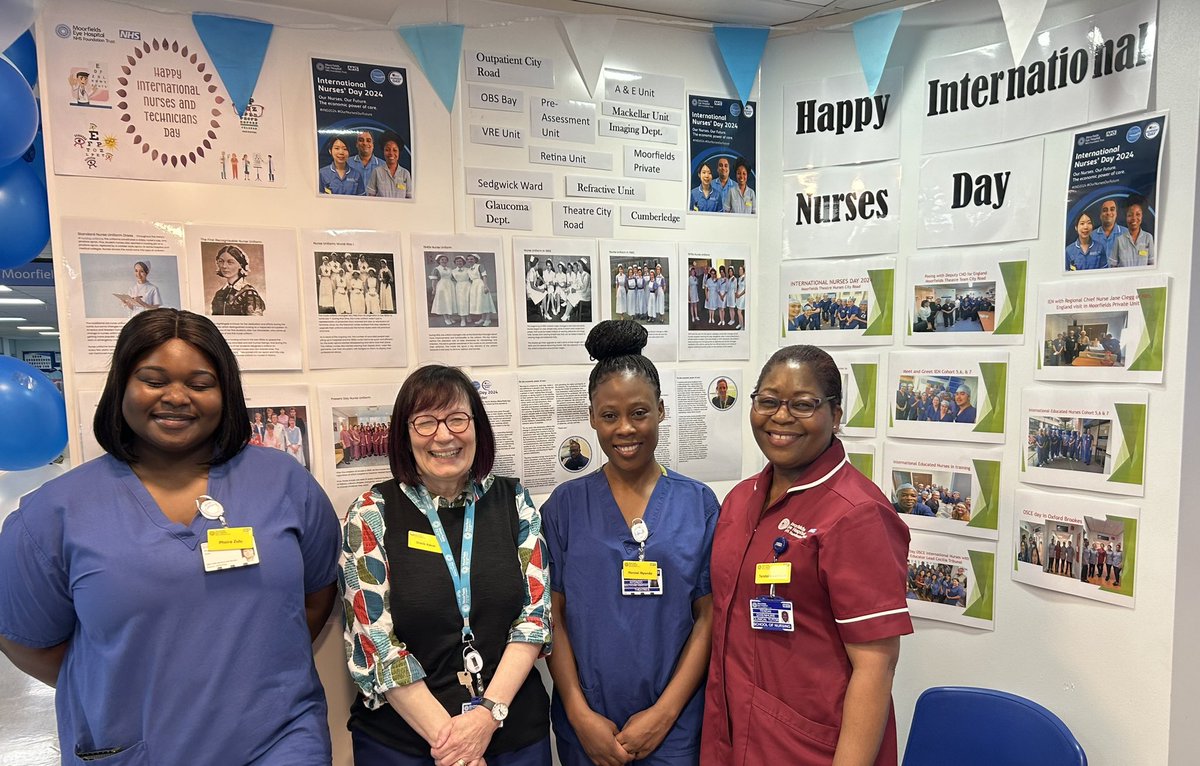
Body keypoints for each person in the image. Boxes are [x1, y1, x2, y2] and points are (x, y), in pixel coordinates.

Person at [0, 308, 339, 764]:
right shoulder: (53, 514)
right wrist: (132, 684)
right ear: (121, 386)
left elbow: (317, 595)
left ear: (226, 394)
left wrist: (253, 675)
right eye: (154, 380)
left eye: (200, 383)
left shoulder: (285, 484)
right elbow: (28, 644)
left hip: (279, 740)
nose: (177, 397)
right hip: (137, 747)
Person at [702, 345, 911, 765]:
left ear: (835, 415)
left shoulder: (857, 514)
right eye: (768, 401)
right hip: (730, 734)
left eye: (803, 405)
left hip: (810, 747)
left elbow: (876, 669)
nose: (780, 417)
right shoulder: (742, 500)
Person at [338, 365, 553, 765]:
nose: (443, 435)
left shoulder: (515, 503)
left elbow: (535, 618)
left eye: (457, 419)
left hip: (512, 737)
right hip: (404, 745)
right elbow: (375, 643)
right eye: (425, 422)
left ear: (478, 428)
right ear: (404, 434)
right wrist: (456, 747)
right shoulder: (371, 515)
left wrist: (486, 718)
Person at [543, 320, 719, 766]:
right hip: (588, 729)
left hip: (672, 728)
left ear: (660, 410)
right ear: (591, 417)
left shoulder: (698, 504)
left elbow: (709, 617)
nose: (625, 428)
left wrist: (665, 713)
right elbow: (553, 619)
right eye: (609, 415)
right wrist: (579, 715)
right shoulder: (565, 507)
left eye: (639, 412)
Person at [210, 244, 266, 316]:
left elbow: (256, 323)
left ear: (240, 265)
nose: (224, 266)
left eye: (230, 262)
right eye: (221, 261)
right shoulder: (219, 294)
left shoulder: (249, 293)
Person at [1109, 199, 1155, 268]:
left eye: (1138, 214)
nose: (1134, 218)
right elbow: (1112, 265)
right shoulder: (1119, 240)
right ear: (1126, 217)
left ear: (1142, 216)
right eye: (1130, 215)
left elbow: (1152, 264)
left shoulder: (1148, 238)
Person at [367, 133, 414, 199]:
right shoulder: (377, 172)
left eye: (395, 150)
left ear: (399, 152)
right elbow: (370, 196)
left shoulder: (405, 174)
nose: (391, 153)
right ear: (383, 151)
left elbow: (409, 197)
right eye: (387, 150)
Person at [429, 253, 457, 325]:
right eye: (442, 260)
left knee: (449, 301)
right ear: (439, 261)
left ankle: (450, 317)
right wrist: (434, 289)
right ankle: (446, 318)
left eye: (445, 260)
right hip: (442, 286)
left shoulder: (449, 269)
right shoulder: (436, 269)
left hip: (450, 286)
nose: (444, 261)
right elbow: (434, 280)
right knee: (444, 302)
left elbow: (453, 278)